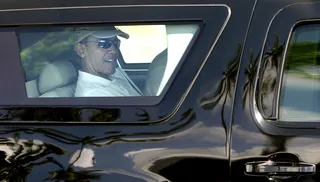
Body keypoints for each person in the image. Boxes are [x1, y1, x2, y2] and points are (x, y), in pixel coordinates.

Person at [73, 26, 143, 97]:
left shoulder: (115, 73)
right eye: (104, 43)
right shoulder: (93, 95)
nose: (114, 51)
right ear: (81, 50)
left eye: (116, 43)